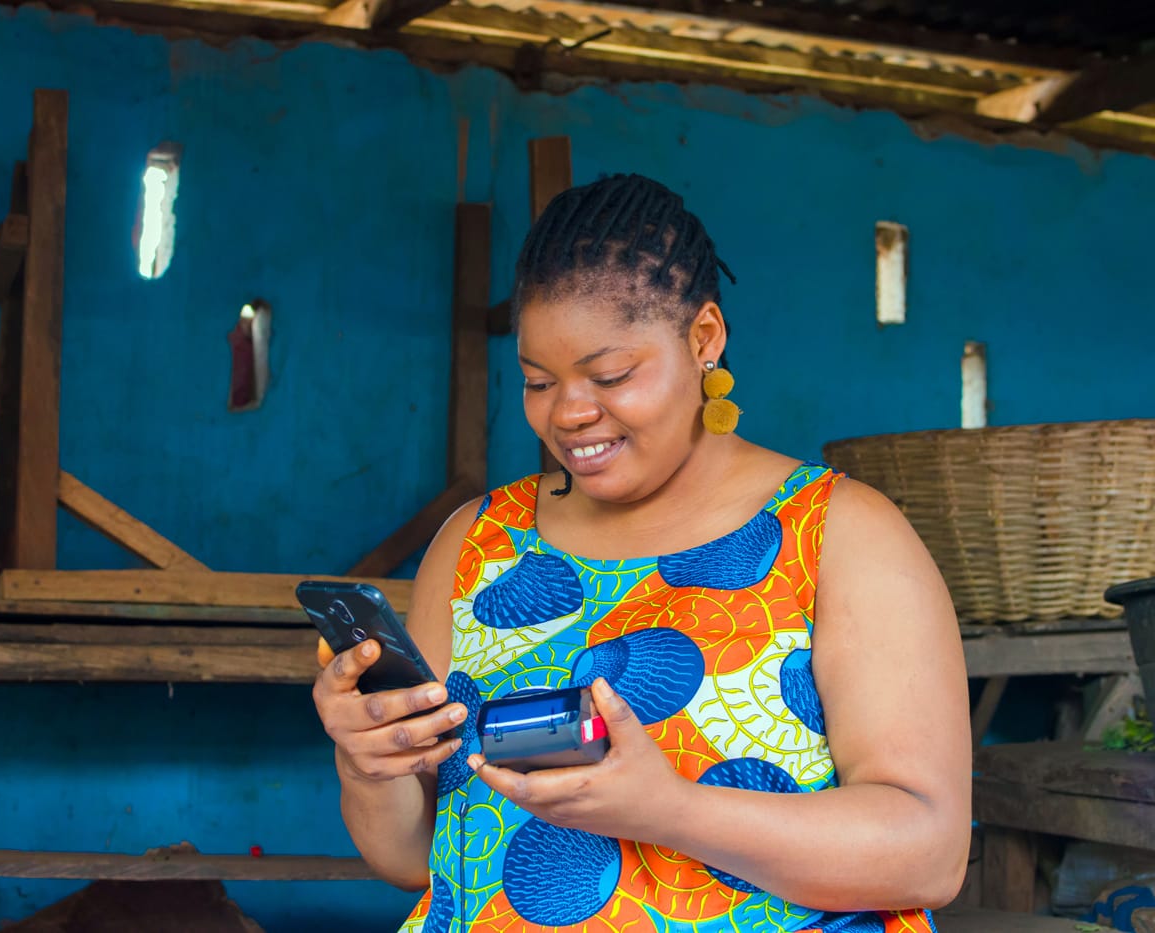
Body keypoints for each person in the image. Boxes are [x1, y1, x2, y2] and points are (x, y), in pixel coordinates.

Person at [313, 173, 971, 932]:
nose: (569, 413)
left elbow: (930, 851)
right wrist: (367, 761)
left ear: (704, 339)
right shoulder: (477, 544)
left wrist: (674, 811)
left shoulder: (841, 534)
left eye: (612, 374)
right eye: (537, 380)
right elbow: (417, 858)